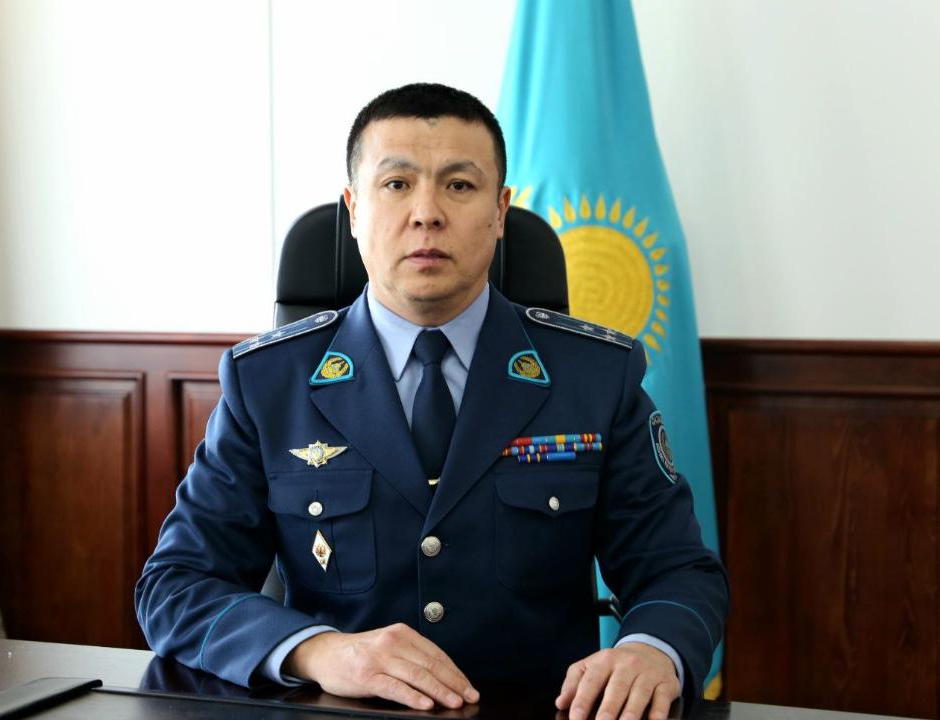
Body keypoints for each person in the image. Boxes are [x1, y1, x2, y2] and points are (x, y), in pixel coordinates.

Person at [136, 83, 728, 720]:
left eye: (459, 185)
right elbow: (175, 585)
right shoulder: (268, 383)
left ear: (500, 212)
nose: (426, 213)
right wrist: (317, 650)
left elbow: (677, 568)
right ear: (353, 210)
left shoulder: (595, 377)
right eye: (396, 184)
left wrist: (650, 650)